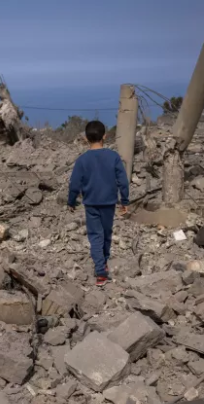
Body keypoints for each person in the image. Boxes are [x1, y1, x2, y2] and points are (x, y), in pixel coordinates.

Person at [67, 120, 129, 286]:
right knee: (107, 234)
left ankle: (100, 270)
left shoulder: (82, 160)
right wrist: (125, 200)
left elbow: (74, 184)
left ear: (86, 139)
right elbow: (123, 181)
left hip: (91, 204)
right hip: (109, 203)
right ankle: (104, 264)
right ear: (105, 136)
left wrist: (71, 202)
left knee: (95, 236)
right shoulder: (113, 157)